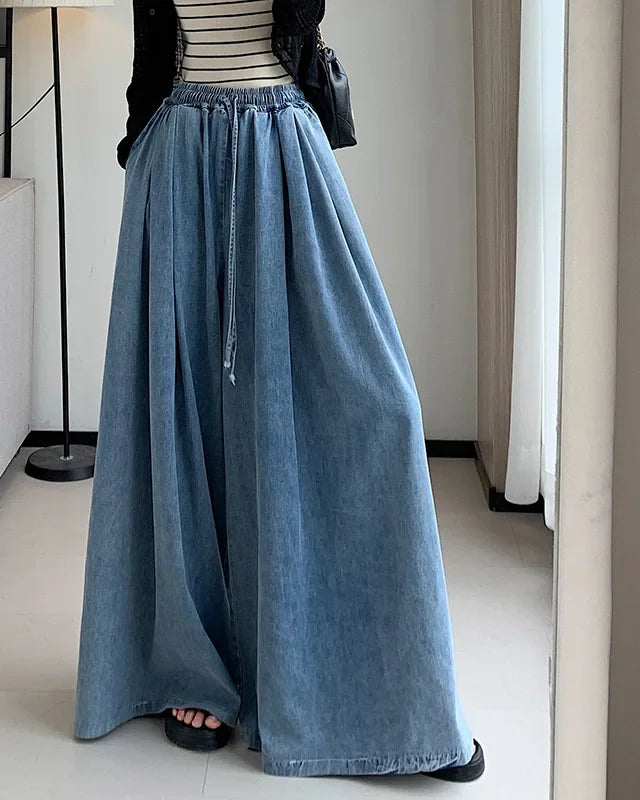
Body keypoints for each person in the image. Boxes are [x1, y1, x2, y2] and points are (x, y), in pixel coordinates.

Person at [74, 0, 485, 782]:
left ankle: (395, 700)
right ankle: (196, 669)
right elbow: (150, 50)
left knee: (383, 407)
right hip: (179, 155)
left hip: (281, 150)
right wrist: (141, 152)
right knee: (182, 421)